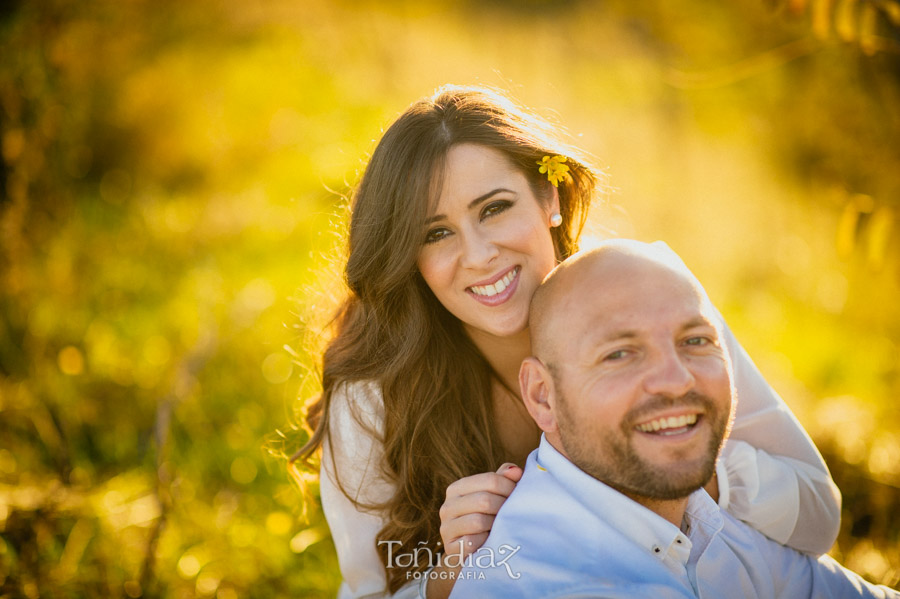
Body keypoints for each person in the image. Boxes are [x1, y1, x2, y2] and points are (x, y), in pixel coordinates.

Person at [292, 85, 841, 599]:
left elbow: (820, 516)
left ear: (548, 198)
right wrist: (447, 575)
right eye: (436, 233)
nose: (479, 254)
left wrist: (679, 462)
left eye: (494, 208)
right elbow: (367, 591)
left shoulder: (650, 296)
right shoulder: (373, 395)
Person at [449, 241, 896, 599]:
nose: (676, 380)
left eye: (696, 340)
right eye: (620, 354)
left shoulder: (709, 520)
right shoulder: (536, 581)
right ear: (542, 396)